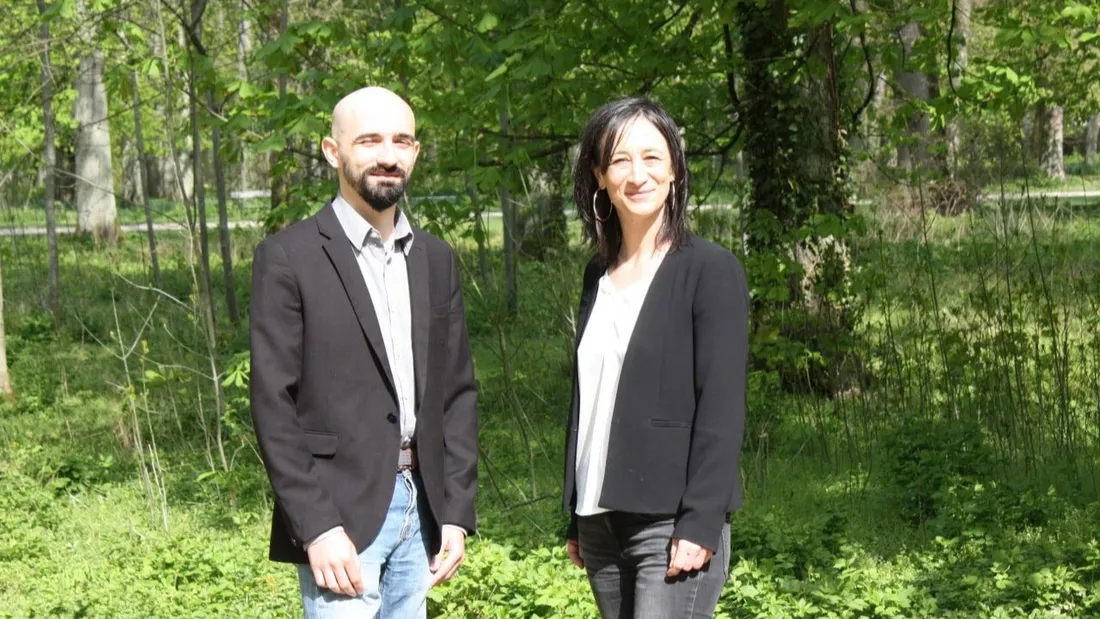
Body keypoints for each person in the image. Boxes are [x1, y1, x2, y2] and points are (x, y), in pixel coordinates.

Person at [249, 86, 478, 619]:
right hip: (340, 516)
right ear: (333, 151)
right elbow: (271, 403)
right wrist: (316, 524)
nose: (387, 155)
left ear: (416, 152)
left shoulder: (436, 260)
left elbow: (456, 393)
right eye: (369, 140)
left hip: (423, 511)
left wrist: (455, 511)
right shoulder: (288, 258)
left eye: (401, 141)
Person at [562, 97, 749, 619]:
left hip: (670, 521)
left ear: (674, 170)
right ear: (599, 175)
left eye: (652, 157)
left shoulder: (709, 270)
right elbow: (591, 397)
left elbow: (722, 407)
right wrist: (577, 515)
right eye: (620, 160)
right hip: (599, 521)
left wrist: (701, 520)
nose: (637, 174)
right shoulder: (595, 276)